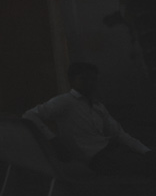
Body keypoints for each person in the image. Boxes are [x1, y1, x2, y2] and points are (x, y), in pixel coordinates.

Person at [22, 61, 156, 177]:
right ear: (72, 80)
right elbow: (29, 115)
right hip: (96, 159)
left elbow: (119, 134)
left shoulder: (97, 106)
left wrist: (145, 151)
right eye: (84, 79)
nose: (90, 83)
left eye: (93, 79)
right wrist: (52, 139)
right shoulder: (65, 102)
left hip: (109, 151)